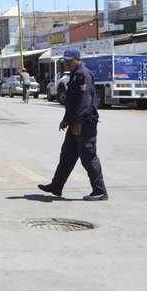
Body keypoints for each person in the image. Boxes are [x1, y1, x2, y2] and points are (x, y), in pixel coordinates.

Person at [38, 48, 108, 201]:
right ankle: (56, 186)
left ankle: (100, 190)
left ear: (78, 60)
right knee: (67, 156)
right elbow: (72, 102)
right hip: (74, 123)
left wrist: (78, 122)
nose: (67, 63)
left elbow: (85, 101)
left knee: (88, 156)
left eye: (70, 61)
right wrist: (66, 119)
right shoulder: (74, 75)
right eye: (65, 61)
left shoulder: (84, 75)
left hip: (85, 124)